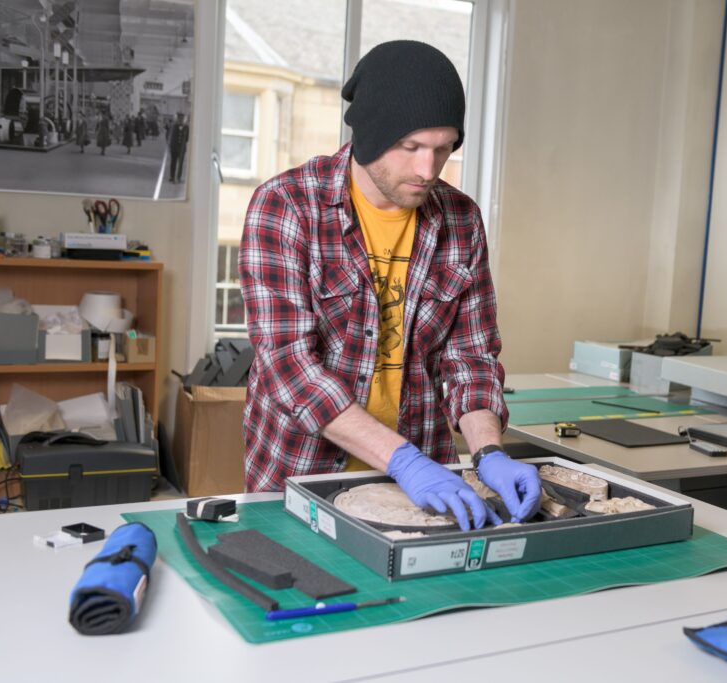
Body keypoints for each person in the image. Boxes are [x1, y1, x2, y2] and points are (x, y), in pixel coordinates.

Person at [239, 40, 539, 531]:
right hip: (302, 474)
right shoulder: (286, 206)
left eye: (443, 149)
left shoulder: (461, 220)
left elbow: (471, 356)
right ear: (371, 136)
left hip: (425, 487)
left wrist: (487, 452)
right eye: (412, 147)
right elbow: (288, 365)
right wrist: (403, 460)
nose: (428, 169)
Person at [168, 112, 189, 183]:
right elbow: (171, 137)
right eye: (179, 118)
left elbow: (187, 138)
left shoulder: (186, 127)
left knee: (180, 163)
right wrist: (170, 146)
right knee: (173, 162)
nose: (180, 119)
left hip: (181, 148)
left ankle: (178, 177)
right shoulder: (174, 126)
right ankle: (172, 176)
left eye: (181, 118)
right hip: (174, 147)